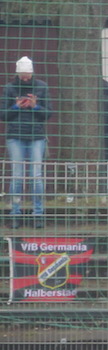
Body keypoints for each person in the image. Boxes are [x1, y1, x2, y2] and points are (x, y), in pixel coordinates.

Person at [4, 56, 51, 229]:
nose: (25, 78)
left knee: (36, 176)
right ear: (18, 72)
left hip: (36, 136)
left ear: (32, 72)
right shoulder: (9, 89)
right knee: (17, 176)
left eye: (28, 75)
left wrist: (35, 106)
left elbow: (48, 113)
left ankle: (38, 213)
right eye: (23, 75)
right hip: (15, 136)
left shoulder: (42, 87)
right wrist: (16, 106)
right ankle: (15, 213)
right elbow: (3, 114)